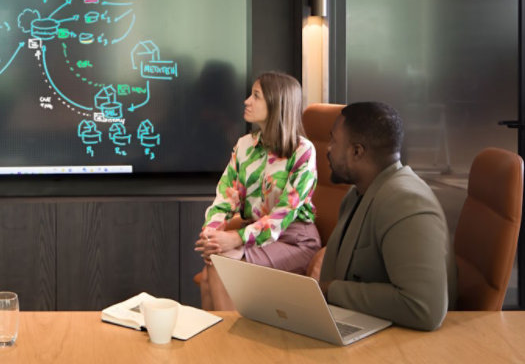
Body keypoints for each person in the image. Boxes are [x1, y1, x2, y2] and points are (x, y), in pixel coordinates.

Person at [319, 101, 456, 331]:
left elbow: (424, 307)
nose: (328, 148)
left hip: (403, 350)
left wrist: (331, 290)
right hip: (359, 327)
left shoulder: (405, 201)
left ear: (357, 151)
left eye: (333, 140)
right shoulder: (357, 194)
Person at [195, 71, 320, 310]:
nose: (246, 101)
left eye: (256, 96)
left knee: (221, 267)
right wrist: (211, 236)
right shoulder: (244, 146)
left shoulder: (303, 151)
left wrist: (235, 238)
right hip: (255, 238)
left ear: (276, 102)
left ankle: (230, 347)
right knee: (209, 278)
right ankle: (217, 346)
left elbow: (282, 216)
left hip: (295, 241)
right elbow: (224, 199)